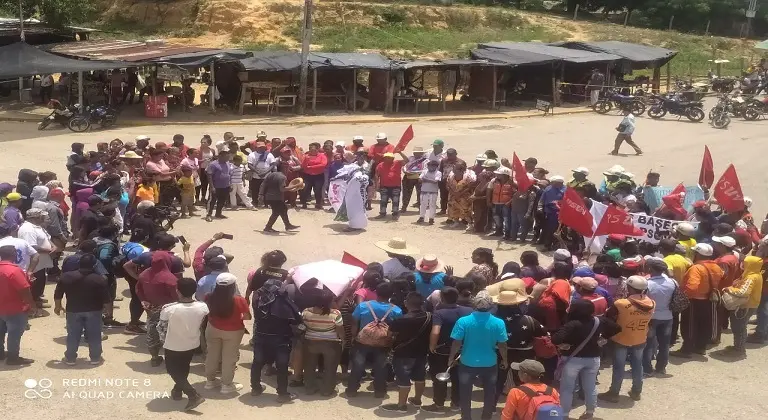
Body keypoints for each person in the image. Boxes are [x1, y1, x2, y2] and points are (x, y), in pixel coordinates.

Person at [552, 299, 620, 419]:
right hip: (593, 359)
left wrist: (563, 344)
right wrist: (604, 337)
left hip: (572, 359)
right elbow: (617, 328)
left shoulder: (572, 324)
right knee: (590, 387)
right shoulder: (599, 321)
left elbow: (556, 339)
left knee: (567, 389)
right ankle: (589, 412)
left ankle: (565, 414)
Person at [448, 291, 508, 420]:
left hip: (467, 362)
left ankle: (466, 417)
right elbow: (502, 345)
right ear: (491, 305)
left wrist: (451, 358)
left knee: (465, 392)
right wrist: (505, 360)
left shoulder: (463, 321)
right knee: (490, 393)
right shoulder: (499, 322)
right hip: (490, 363)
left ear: (474, 304)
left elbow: (457, 343)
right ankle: (486, 417)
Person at [600, 275, 655, 403]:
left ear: (629, 288)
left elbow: (608, 318)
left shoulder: (621, 303)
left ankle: (614, 393)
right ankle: (636, 391)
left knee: (619, 367)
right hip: (640, 338)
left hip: (621, 338)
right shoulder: (652, 303)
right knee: (637, 365)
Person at [157, 277, 208, 411]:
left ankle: (193, 395)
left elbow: (161, 328)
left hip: (173, 344)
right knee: (184, 367)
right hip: (192, 342)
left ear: (178, 291)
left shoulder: (169, 309)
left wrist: (164, 341)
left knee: (172, 370)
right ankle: (177, 391)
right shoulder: (203, 307)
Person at [346, 282, 403, 398]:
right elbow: (397, 329)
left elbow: (354, 322)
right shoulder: (396, 310)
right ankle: (380, 391)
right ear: (391, 294)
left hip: (363, 341)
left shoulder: (363, 306)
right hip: (383, 342)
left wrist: (354, 336)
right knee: (381, 366)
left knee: (358, 364)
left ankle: (352, 389)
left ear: (376, 292)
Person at [54, 254, 111, 365]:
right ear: (94, 265)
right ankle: (95, 358)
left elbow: (58, 294)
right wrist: (108, 312)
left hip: (73, 310)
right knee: (94, 335)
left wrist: (58, 306)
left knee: (73, 335)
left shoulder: (66, 277)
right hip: (94, 311)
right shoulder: (100, 279)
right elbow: (107, 299)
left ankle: (70, 358)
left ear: (79, 264)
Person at [493, 279, 546, 399]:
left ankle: (491, 406)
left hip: (499, 355)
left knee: (498, 382)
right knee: (523, 383)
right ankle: (523, 404)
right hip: (523, 356)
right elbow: (542, 334)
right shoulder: (529, 320)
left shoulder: (493, 321)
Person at [422, 287, 472, 413]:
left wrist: (432, 346)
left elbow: (436, 331)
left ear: (442, 299)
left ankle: (439, 405)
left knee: (439, 377)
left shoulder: (439, 313)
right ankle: (456, 404)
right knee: (459, 378)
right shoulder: (469, 311)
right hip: (463, 350)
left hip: (442, 351)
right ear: (457, 297)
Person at [251, 279, 301, 402]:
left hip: (261, 337)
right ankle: (282, 394)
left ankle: (256, 388)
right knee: (282, 365)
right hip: (281, 339)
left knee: (257, 362)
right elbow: (296, 318)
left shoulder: (259, 300)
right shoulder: (283, 302)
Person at [382, 292, 432, 413]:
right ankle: (417, 400)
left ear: (406, 303)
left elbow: (389, 336)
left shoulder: (400, 320)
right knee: (420, 377)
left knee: (403, 378)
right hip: (422, 353)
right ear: (422, 304)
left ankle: (401, 406)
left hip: (403, 354)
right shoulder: (429, 317)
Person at [671, 243, 723, 358]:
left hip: (694, 301)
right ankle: (700, 347)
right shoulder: (716, 267)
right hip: (709, 300)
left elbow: (692, 287)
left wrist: (684, 297)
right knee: (703, 325)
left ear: (698, 254)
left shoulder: (696, 268)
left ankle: (686, 350)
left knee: (689, 326)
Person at [204, 273, 250, 393]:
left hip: (213, 329)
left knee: (212, 355)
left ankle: (210, 381)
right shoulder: (239, 300)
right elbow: (247, 317)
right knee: (229, 358)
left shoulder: (208, 296)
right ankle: (226, 385)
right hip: (233, 332)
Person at [136, 251, 180, 367]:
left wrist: (143, 300)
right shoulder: (170, 278)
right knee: (170, 334)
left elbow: (138, 289)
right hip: (169, 310)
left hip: (152, 309)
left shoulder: (144, 274)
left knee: (152, 332)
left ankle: (154, 357)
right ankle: (171, 359)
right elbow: (176, 296)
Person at [301, 290, 344, 396]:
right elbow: (340, 331)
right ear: (329, 301)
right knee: (330, 367)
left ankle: (309, 388)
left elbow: (303, 326)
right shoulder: (336, 314)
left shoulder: (306, 312)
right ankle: (327, 390)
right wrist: (344, 340)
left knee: (309, 366)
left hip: (310, 342)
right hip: (331, 344)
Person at [0, 245, 35, 365]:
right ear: (14, 255)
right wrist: (32, 305)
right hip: (14, 309)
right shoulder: (14, 270)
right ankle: (13, 358)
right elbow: (24, 290)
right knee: (14, 334)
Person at [17, 209, 56, 314]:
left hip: (41, 262)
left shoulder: (37, 226)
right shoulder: (28, 229)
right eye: (41, 216)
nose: (43, 218)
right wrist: (48, 250)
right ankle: (33, 305)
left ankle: (37, 299)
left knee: (40, 281)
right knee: (34, 283)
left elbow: (46, 238)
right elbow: (32, 246)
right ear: (35, 218)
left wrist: (53, 246)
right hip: (34, 263)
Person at [723, 255, 763, 356]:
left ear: (750, 264)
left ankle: (739, 349)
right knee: (739, 326)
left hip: (745, 306)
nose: (742, 264)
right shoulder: (755, 274)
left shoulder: (751, 277)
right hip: (750, 305)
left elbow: (743, 292)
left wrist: (729, 289)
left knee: (739, 327)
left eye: (745, 263)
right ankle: (738, 347)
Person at [643, 257, 676, 376]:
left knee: (648, 344)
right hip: (668, 317)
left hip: (651, 317)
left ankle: (647, 368)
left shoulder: (647, 284)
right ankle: (661, 367)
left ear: (651, 269)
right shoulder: (673, 282)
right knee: (664, 344)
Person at [259, 169, 300, 233]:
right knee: (276, 212)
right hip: (276, 198)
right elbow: (282, 189)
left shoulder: (270, 175)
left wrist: (261, 194)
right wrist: (295, 186)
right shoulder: (282, 177)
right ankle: (268, 227)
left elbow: (263, 185)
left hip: (268, 197)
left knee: (284, 209)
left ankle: (287, 225)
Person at [374, 151, 408, 220]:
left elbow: (407, 160)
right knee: (383, 200)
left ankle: (395, 214)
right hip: (384, 186)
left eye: (389, 157)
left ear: (393, 158)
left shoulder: (397, 163)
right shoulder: (380, 165)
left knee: (395, 200)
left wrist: (400, 152)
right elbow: (377, 176)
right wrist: (377, 185)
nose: (388, 159)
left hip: (396, 186)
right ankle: (382, 213)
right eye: (386, 157)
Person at [445, 161, 476, 227]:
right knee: (454, 209)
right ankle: (456, 222)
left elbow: (469, 187)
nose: (453, 169)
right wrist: (453, 193)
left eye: (455, 168)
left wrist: (460, 193)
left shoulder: (467, 177)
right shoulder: (451, 176)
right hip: (453, 197)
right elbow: (447, 186)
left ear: (461, 170)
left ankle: (470, 224)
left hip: (464, 197)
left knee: (466, 210)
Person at [540, 175, 566, 250]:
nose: (551, 183)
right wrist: (540, 208)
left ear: (559, 183)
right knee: (549, 229)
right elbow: (542, 199)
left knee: (559, 230)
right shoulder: (548, 188)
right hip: (550, 212)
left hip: (561, 213)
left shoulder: (566, 190)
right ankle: (547, 245)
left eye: (553, 182)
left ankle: (556, 245)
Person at [205, 150, 232, 222]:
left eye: (228, 157)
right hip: (216, 186)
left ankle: (218, 213)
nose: (228, 159)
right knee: (212, 201)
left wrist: (230, 184)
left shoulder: (227, 163)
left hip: (225, 186)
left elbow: (229, 174)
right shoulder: (213, 164)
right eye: (226, 157)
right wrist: (212, 187)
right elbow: (209, 175)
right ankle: (208, 215)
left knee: (222, 200)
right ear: (220, 156)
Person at [489, 166, 515, 239]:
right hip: (496, 203)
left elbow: (516, 193)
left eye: (499, 174)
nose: (497, 175)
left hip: (506, 205)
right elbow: (489, 190)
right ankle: (498, 231)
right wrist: (489, 201)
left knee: (507, 219)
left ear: (505, 175)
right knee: (496, 218)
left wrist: (509, 202)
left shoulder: (512, 183)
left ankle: (507, 234)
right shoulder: (494, 181)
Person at [300, 142, 328, 210]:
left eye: (314, 150)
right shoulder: (306, 156)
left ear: (317, 150)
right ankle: (304, 203)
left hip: (318, 175)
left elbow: (323, 164)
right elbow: (303, 166)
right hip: (307, 175)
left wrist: (310, 167)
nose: (313, 151)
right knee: (305, 189)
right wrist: (306, 160)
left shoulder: (322, 156)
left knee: (318, 190)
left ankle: (318, 203)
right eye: (311, 150)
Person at [438, 148, 465, 214]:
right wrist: (440, 180)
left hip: (455, 182)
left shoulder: (461, 162)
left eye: (451, 155)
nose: (449, 156)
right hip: (444, 181)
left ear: (456, 154)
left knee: (454, 196)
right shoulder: (443, 161)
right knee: (443, 196)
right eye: (448, 155)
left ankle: (455, 211)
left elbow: (464, 172)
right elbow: (440, 170)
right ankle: (443, 209)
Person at [402, 146, 427, 211]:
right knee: (406, 193)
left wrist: (414, 173)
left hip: (419, 177)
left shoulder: (425, 160)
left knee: (420, 193)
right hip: (408, 177)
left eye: (418, 153)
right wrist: (405, 171)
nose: (416, 154)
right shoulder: (410, 158)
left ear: (421, 153)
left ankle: (420, 207)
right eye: (415, 153)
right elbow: (404, 166)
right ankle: (404, 206)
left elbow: (425, 169)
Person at [417, 159, 441, 224]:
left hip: (433, 192)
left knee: (432, 205)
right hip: (424, 191)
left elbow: (435, 181)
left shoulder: (438, 173)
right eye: (429, 166)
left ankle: (431, 218)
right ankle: (421, 217)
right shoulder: (424, 171)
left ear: (436, 167)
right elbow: (420, 180)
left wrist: (425, 179)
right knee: (423, 205)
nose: (430, 168)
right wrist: (429, 180)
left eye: (432, 166)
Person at [197, 136, 216, 203]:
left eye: (204, 142)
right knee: (200, 184)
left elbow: (214, 159)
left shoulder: (212, 150)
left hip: (209, 169)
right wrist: (203, 160)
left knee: (209, 183)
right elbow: (195, 160)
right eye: (202, 142)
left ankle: (207, 198)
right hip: (201, 169)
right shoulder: (198, 150)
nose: (202, 143)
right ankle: (199, 198)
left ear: (209, 143)